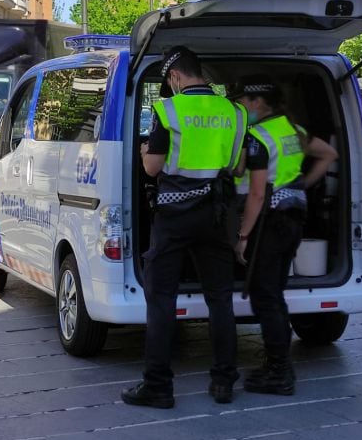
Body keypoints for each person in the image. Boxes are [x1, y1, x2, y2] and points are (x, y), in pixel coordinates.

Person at [123, 46, 246, 409]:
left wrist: (147, 151)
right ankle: (224, 382)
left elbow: (152, 169)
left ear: (175, 77)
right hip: (217, 216)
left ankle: (158, 386)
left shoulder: (168, 110)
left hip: (175, 216)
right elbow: (238, 169)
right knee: (220, 299)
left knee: (161, 300)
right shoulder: (235, 112)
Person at [229, 75, 338, 395]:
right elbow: (330, 154)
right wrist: (303, 184)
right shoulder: (293, 130)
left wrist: (243, 236)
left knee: (266, 296)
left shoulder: (259, 136)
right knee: (273, 292)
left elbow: (257, 194)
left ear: (258, 102)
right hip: (293, 217)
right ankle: (277, 364)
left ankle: (279, 371)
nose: (242, 107)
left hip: (269, 221)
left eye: (244, 102)